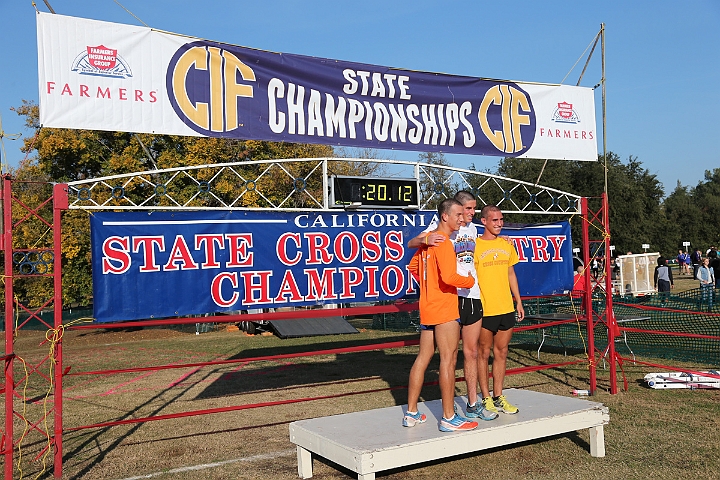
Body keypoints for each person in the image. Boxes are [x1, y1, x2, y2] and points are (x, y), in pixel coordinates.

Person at [407, 191, 497, 421]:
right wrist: (467, 281)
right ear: (447, 215)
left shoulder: (467, 231)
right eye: (462, 211)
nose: (466, 215)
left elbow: (414, 267)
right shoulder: (440, 238)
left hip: (431, 304)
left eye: (469, 211)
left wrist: (429, 285)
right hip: (446, 304)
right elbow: (448, 276)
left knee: (430, 356)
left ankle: (412, 413)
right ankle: (448, 417)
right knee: (448, 360)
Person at [473, 205, 525, 415]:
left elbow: (511, 273)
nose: (499, 224)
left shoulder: (506, 244)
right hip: (485, 309)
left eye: (501, 219)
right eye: (494, 220)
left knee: (501, 352)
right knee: (483, 353)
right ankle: (485, 398)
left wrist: (518, 301)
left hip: (506, 307)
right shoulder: (474, 245)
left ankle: (498, 395)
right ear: (483, 221)